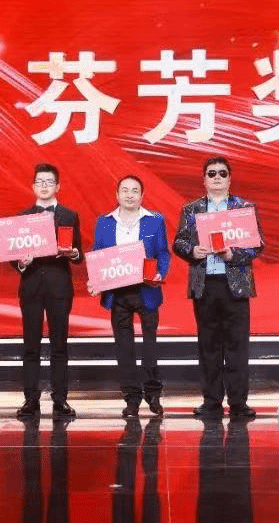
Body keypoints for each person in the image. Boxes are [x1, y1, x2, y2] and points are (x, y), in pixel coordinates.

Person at [173, 156, 265, 419]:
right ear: (204, 179)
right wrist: (193, 250)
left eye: (222, 173)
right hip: (205, 285)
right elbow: (178, 242)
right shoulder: (191, 209)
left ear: (230, 179)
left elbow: (258, 244)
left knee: (237, 346)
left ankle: (238, 402)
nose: (217, 177)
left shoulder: (243, 208)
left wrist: (233, 254)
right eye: (211, 173)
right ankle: (211, 401)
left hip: (234, 285)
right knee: (209, 346)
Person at [92, 175, 171, 419]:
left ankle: (153, 393)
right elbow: (98, 254)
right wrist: (96, 280)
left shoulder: (155, 220)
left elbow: (163, 253)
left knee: (150, 346)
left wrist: (160, 273)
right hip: (118, 294)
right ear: (117, 195)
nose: (129, 194)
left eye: (134, 190)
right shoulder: (104, 222)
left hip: (147, 290)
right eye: (125, 190)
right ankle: (132, 398)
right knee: (124, 348)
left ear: (142, 195)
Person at [12, 163, 83, 420]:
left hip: (59, 287)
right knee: (30, 346)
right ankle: (30, 399)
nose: (44, 186)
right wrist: (21, 263)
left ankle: (60, 400)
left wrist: (73, 253)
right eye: (40, 182)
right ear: (33, 186)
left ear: (58, 186)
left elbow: (78, 253)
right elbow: (13, 256)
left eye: (49, 182)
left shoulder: (69, 215)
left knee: (59, 345)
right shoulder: (22, 217)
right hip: (31, 286)